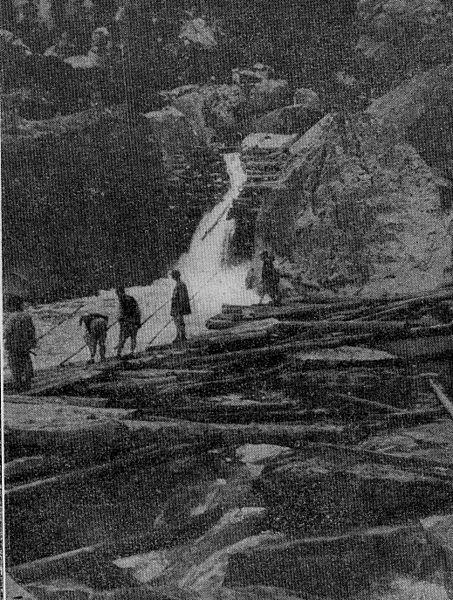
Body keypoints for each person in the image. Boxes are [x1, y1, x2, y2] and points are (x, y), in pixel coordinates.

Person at [4, 295, 37, 391]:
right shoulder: (27, 316)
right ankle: (27, 382)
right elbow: (32, 330)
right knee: (26, 362)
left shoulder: (11, 318)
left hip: (13, 346)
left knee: (15, 365)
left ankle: (18, 384)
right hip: (25, 346)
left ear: (11, 306)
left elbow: (6, 333)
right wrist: (32, 342)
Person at [116, 287, 141, 358]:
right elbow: (138, 310)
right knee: (133, 337)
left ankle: (119, 353)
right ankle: (132, 352)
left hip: (126, 322)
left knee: (122, 338)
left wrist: (120, 319)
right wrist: (138, 322)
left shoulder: (122, 300)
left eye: (117, 294)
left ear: (118, 293)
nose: (117, 295)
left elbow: (122, 313)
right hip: (134, 321)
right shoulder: (132, 298)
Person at [170, 270, 191, 345]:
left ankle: (181, 336)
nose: (172, 277)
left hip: (178, 307)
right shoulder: (178, 284)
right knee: (177, 322)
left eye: (173, 275)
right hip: (176, 306)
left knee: (179, 322)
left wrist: (180, 308)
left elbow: (182, 297)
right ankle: (179, 335)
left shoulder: (181, 285)